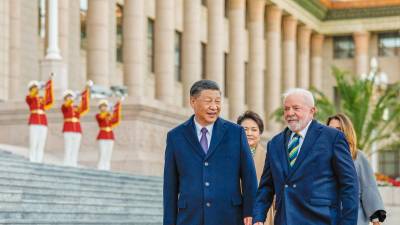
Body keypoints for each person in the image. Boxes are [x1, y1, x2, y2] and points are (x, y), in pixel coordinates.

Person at [253, 88, 359, 225]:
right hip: (285, 220)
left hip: (321, 220)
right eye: (286, 109)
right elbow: (266, 186)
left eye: (296, 108)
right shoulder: (274, 143)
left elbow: (349, 185)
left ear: (312, 111)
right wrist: (258, 217)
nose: (290, 113)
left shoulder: (333, 138)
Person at [163, 80, 258, 225]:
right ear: (193, 101)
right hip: (189, 218)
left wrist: (251, 212)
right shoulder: (175, 136)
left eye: (218, 101)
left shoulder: (236, 133)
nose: (214, 107)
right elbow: (170, 185)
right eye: (208, 101)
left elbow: (249, 176)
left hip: (229, 216)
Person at [327, 113, 386, 225]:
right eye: (330, 129)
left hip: (355, 217)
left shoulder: (358, 156)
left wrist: (375, 220)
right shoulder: (321, 157)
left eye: (339, 129)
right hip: (328, 216)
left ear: (346, 132)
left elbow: (368, 189)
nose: (333, 133)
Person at [237, 110, 274, 225]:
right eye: (245, 129)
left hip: (260, 213)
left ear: (260, 133)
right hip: (236, 211)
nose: (249, 133)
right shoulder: (229, 155)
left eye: (254, 130)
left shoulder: (269, 157)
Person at [26, 78, 54, 163]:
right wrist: (39, 87)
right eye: (34, 87)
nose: (36, 89)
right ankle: (32, 158)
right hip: (34, 121)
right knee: (33, 141)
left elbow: (49, 100)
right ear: (31, 89)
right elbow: (31, 96)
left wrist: (48, 86)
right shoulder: (29, 97)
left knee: (41, 142)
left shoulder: (41, 99)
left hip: (43, 121)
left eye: (36, 87)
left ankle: (39, 159)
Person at [61, 86, 90, 167]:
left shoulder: (76, 108)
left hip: (77, 129)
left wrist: (85, 93)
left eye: (71, 96)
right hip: (68, 128)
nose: (70, 98)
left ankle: (73, 163)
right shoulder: (64, 106)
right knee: (68, 147)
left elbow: (84, 107)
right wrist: (73, 98)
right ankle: (67, 163)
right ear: (65, 98)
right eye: (68, 97)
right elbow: (67, 105)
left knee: (75, 148)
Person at [95, 99, 121, 170]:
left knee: (108, 154)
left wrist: (117, 108)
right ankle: (101, 168)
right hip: (102, 135)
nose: (104, 108)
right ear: (100, 108)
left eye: (105, 106)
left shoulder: (109, 115)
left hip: (110, 136)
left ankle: (107, 168)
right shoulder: (98, 115)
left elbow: (116, 120)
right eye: (102, 106)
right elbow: (101, 118)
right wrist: (108, 111)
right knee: (102, 153)